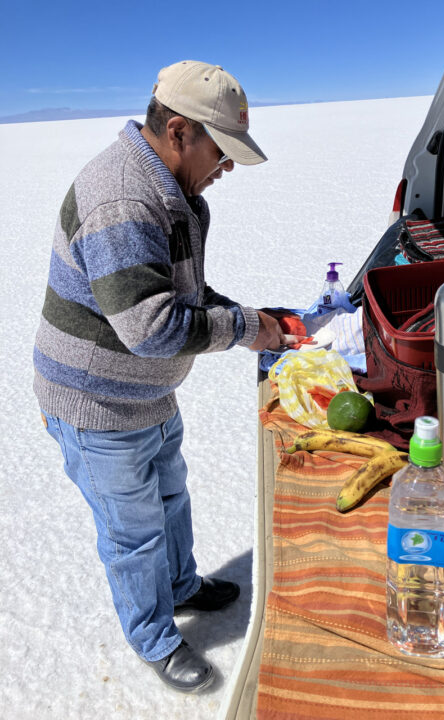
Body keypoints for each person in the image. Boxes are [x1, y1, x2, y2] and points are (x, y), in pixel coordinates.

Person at [33, 60, 297, 693]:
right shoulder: (123, 199)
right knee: (134, 532)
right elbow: (151, 328)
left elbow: (179, 291)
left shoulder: (172, 191)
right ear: (179, 132)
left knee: (171, 498)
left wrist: (245, 316)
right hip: (95, 405)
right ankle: (152, 636)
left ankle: (181, 585)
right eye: (222, 150)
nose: (227, 166)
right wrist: (244, 330)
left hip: (145, 396)